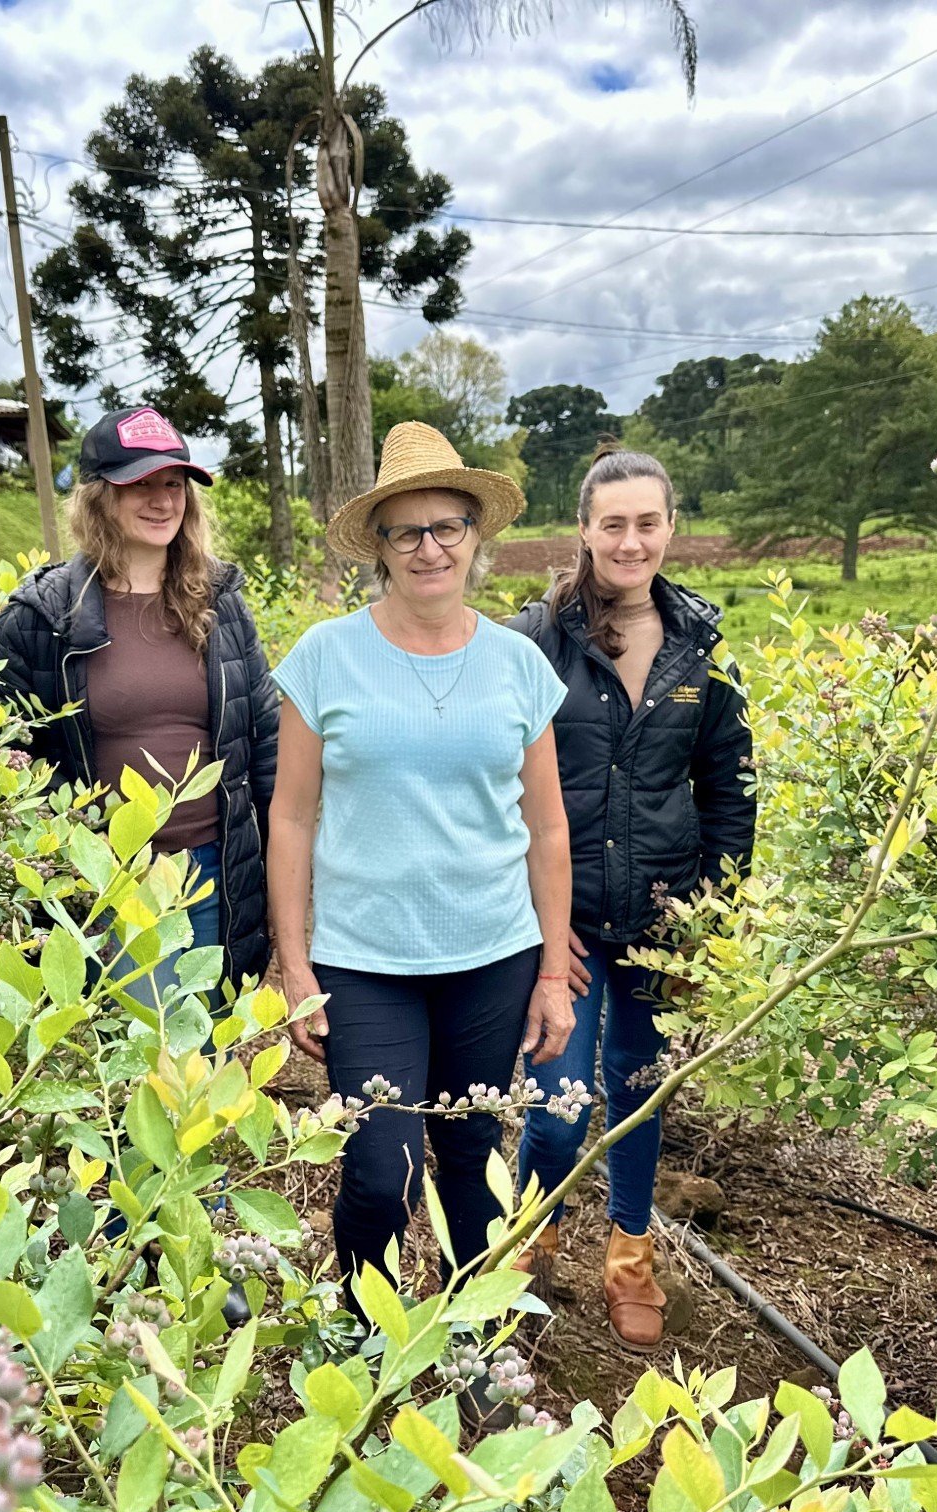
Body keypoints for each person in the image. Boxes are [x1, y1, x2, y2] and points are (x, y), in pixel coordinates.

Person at [268, 421, 575, 1298]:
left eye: (448, 527)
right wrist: (294, 965)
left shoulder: (519, 666)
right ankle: (365, 1343)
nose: (430, 547)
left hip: (493, 955)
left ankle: (473, 1341)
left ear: (477, 537)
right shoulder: (324, 656)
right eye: (408, 530)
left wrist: (553, 970)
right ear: (381, 546)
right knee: (381, 1170)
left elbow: (548, 829)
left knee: (473, 1157)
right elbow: (290, 818)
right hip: (366, 961)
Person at [505, 445, 756, 1352]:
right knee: (561, 1103)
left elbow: (729, 790)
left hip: (661, 920)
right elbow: (494, 782)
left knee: (640, 1089)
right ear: (584, 531)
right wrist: (536, 924)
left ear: (670, 529)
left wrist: (711, 926)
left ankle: (630, 1257)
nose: (631, 540)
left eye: (647, 522)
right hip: (559, 924)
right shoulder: (535, 639)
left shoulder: (700, 649)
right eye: (613, 523)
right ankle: (527, 1241)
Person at [0, 405, 279, 1004]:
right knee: (129, 1065)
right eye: (138, 485)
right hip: (106, 878)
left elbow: (264, 740)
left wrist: (272, 870)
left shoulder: (221, 607)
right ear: (98, 500)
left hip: (211, 872)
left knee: (193, 1058)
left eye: (174, 484)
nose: (162, 501)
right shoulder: (40, 621)